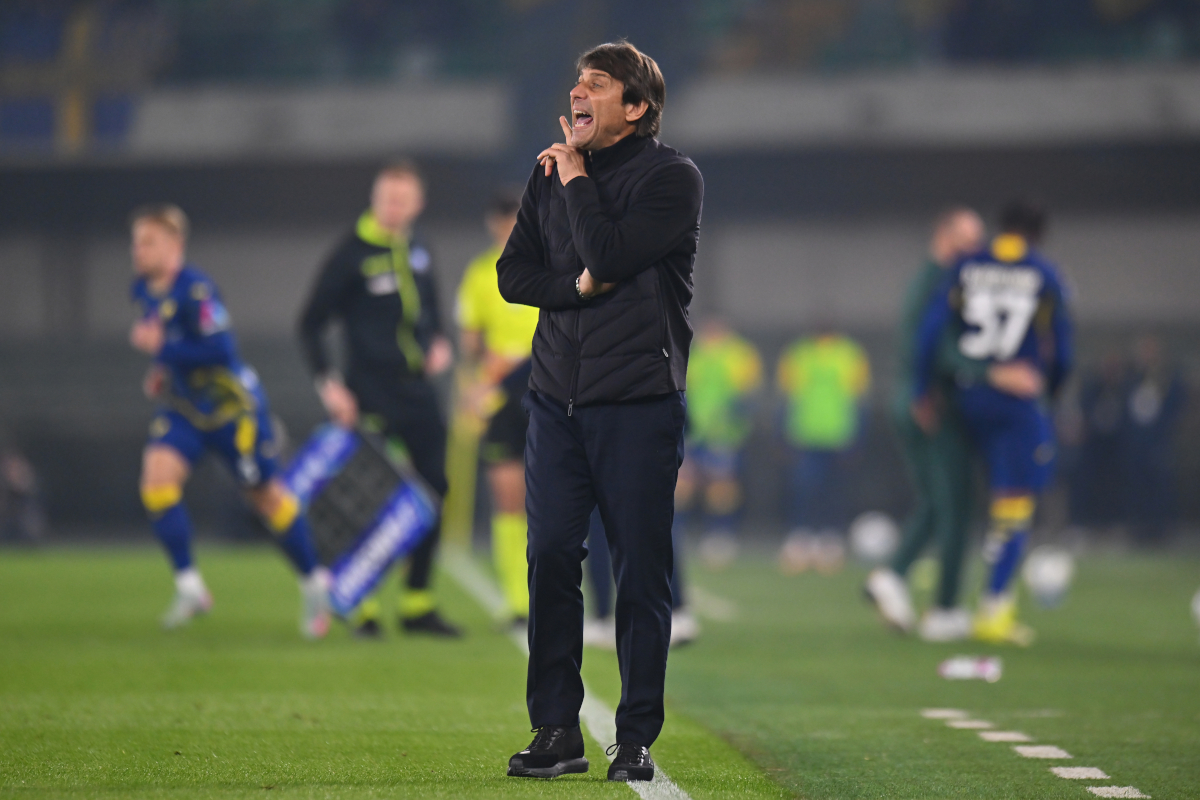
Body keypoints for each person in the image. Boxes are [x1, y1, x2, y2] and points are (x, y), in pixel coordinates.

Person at [497, 41, 703, 782]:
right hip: (556, 400)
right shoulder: (547, 172)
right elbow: (513, 274)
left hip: (639, 405)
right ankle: (555, 728)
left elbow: (610, 254)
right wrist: (572, 292)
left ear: (637, 108)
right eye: (577, 82)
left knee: (640, 571)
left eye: (599, 84)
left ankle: (636, 734)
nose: (579, 92)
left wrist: (578, 179)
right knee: (550, 556)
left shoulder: (672, 178)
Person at [128, 204, 331, 637]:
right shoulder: (144, 291)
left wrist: (162, 350)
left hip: (233, 412)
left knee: (265, 498)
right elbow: (172, 349)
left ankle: (315, 583)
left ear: (175, 245)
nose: (138, 251)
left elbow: (220, 350)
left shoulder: (197, 290)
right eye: (136, 242)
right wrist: (161, 373)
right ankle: (190, 587)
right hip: (184, 409)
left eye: (148, 242)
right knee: (157, 480)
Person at [298, 161, 459, 638]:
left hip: (417, 392)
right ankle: (362, 604)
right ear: (374, 198)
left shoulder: (420, 248)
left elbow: (429, 310)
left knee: (435, 491)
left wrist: (439, 343)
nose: (395, 206)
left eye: (403, 199)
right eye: (387, 197)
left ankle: (417, 602)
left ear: (418, 203)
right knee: (369, 498)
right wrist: (330, 384)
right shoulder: (350, 253)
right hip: (368, 392)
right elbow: (309, 323)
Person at [913, 199, 1073, 646]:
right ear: (1038, 234)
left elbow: (931, 333)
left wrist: (924, 389)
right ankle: (994, 607)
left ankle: (948, 600)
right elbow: (1062, 350)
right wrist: (1049, 391)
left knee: (960, 494)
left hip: (967, 395)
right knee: (1014, 503)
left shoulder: (966, 266)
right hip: (1016, 403)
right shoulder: (1044, 273)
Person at [865, 208, 985, 641]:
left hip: (915, 398)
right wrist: (925, 393)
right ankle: (945, 608)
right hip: (928, 402)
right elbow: (926, 345)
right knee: (956, 505)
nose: (975, 248)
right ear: (943, 234)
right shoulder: (940, 281)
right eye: (967, 238)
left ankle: (892, 576)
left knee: (937, 502)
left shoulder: (932, 279)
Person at [455, 190, 539, 625]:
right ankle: (517, 598)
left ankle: (558, 589)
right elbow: (471, 340)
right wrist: (475, 384)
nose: (507, 228)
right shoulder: (479, 274)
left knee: (558, 495)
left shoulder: (551, 260)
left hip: (548, 388)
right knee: (508, 496)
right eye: (501, 220)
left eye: (515, 219)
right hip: (500, 396)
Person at [776, 328, 871, 574]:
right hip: (805, 433)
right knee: (804, 488)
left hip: (838, 434)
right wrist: (783, 434)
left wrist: (857, 436)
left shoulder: (850, 354)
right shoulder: (799, 354)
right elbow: (787, 396)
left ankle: (830, 540)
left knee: (834, 489)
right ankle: (802, 538)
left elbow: (858, 398)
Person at [678, 317, 763, 569]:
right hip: (693, 433)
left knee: (721, 487)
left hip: (724, 434)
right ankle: (676, 534)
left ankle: (720, 536)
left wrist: (734, 421)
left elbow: (747, 395)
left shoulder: (740, 353)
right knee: (683, 486)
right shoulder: (693, 352)